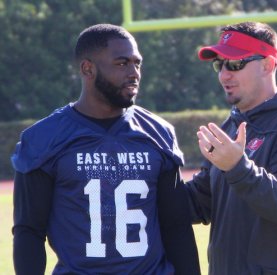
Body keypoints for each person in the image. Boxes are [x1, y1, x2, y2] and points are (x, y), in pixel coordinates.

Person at [11, 24, 200, 275]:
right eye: (122, 63)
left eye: (137, 63)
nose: (134, 73)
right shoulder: (43, 139)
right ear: (87, 68)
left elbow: (176, 226)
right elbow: (29, 231)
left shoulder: (158, 132)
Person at [185, 21, 277, 274]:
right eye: (219, 65)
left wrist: (238, 168)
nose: (224, 74)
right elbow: (200, 203)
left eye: (235, 64)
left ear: (268, 64)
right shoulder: (231, 125)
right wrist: (150, 180)